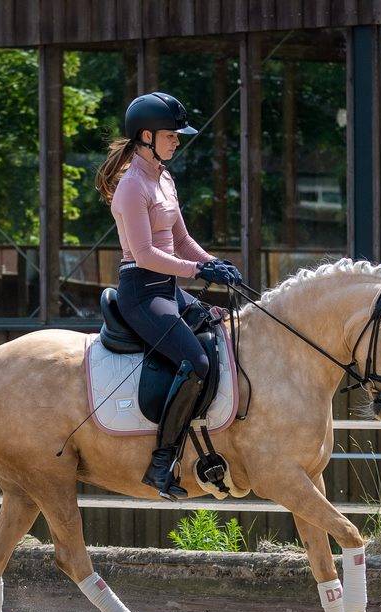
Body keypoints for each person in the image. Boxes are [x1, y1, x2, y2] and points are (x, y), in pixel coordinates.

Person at [95, 92, 243, 500]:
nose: (178, 140)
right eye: (171, 135)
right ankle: (161, 463)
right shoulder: (131, 186)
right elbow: (144, 255)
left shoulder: (164, 178)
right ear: (146, 136)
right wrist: (198, 271)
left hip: (169, 289)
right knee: (194, 361)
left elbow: (180, 239)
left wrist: (214, 262)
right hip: (142, 293)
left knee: (223, 332)